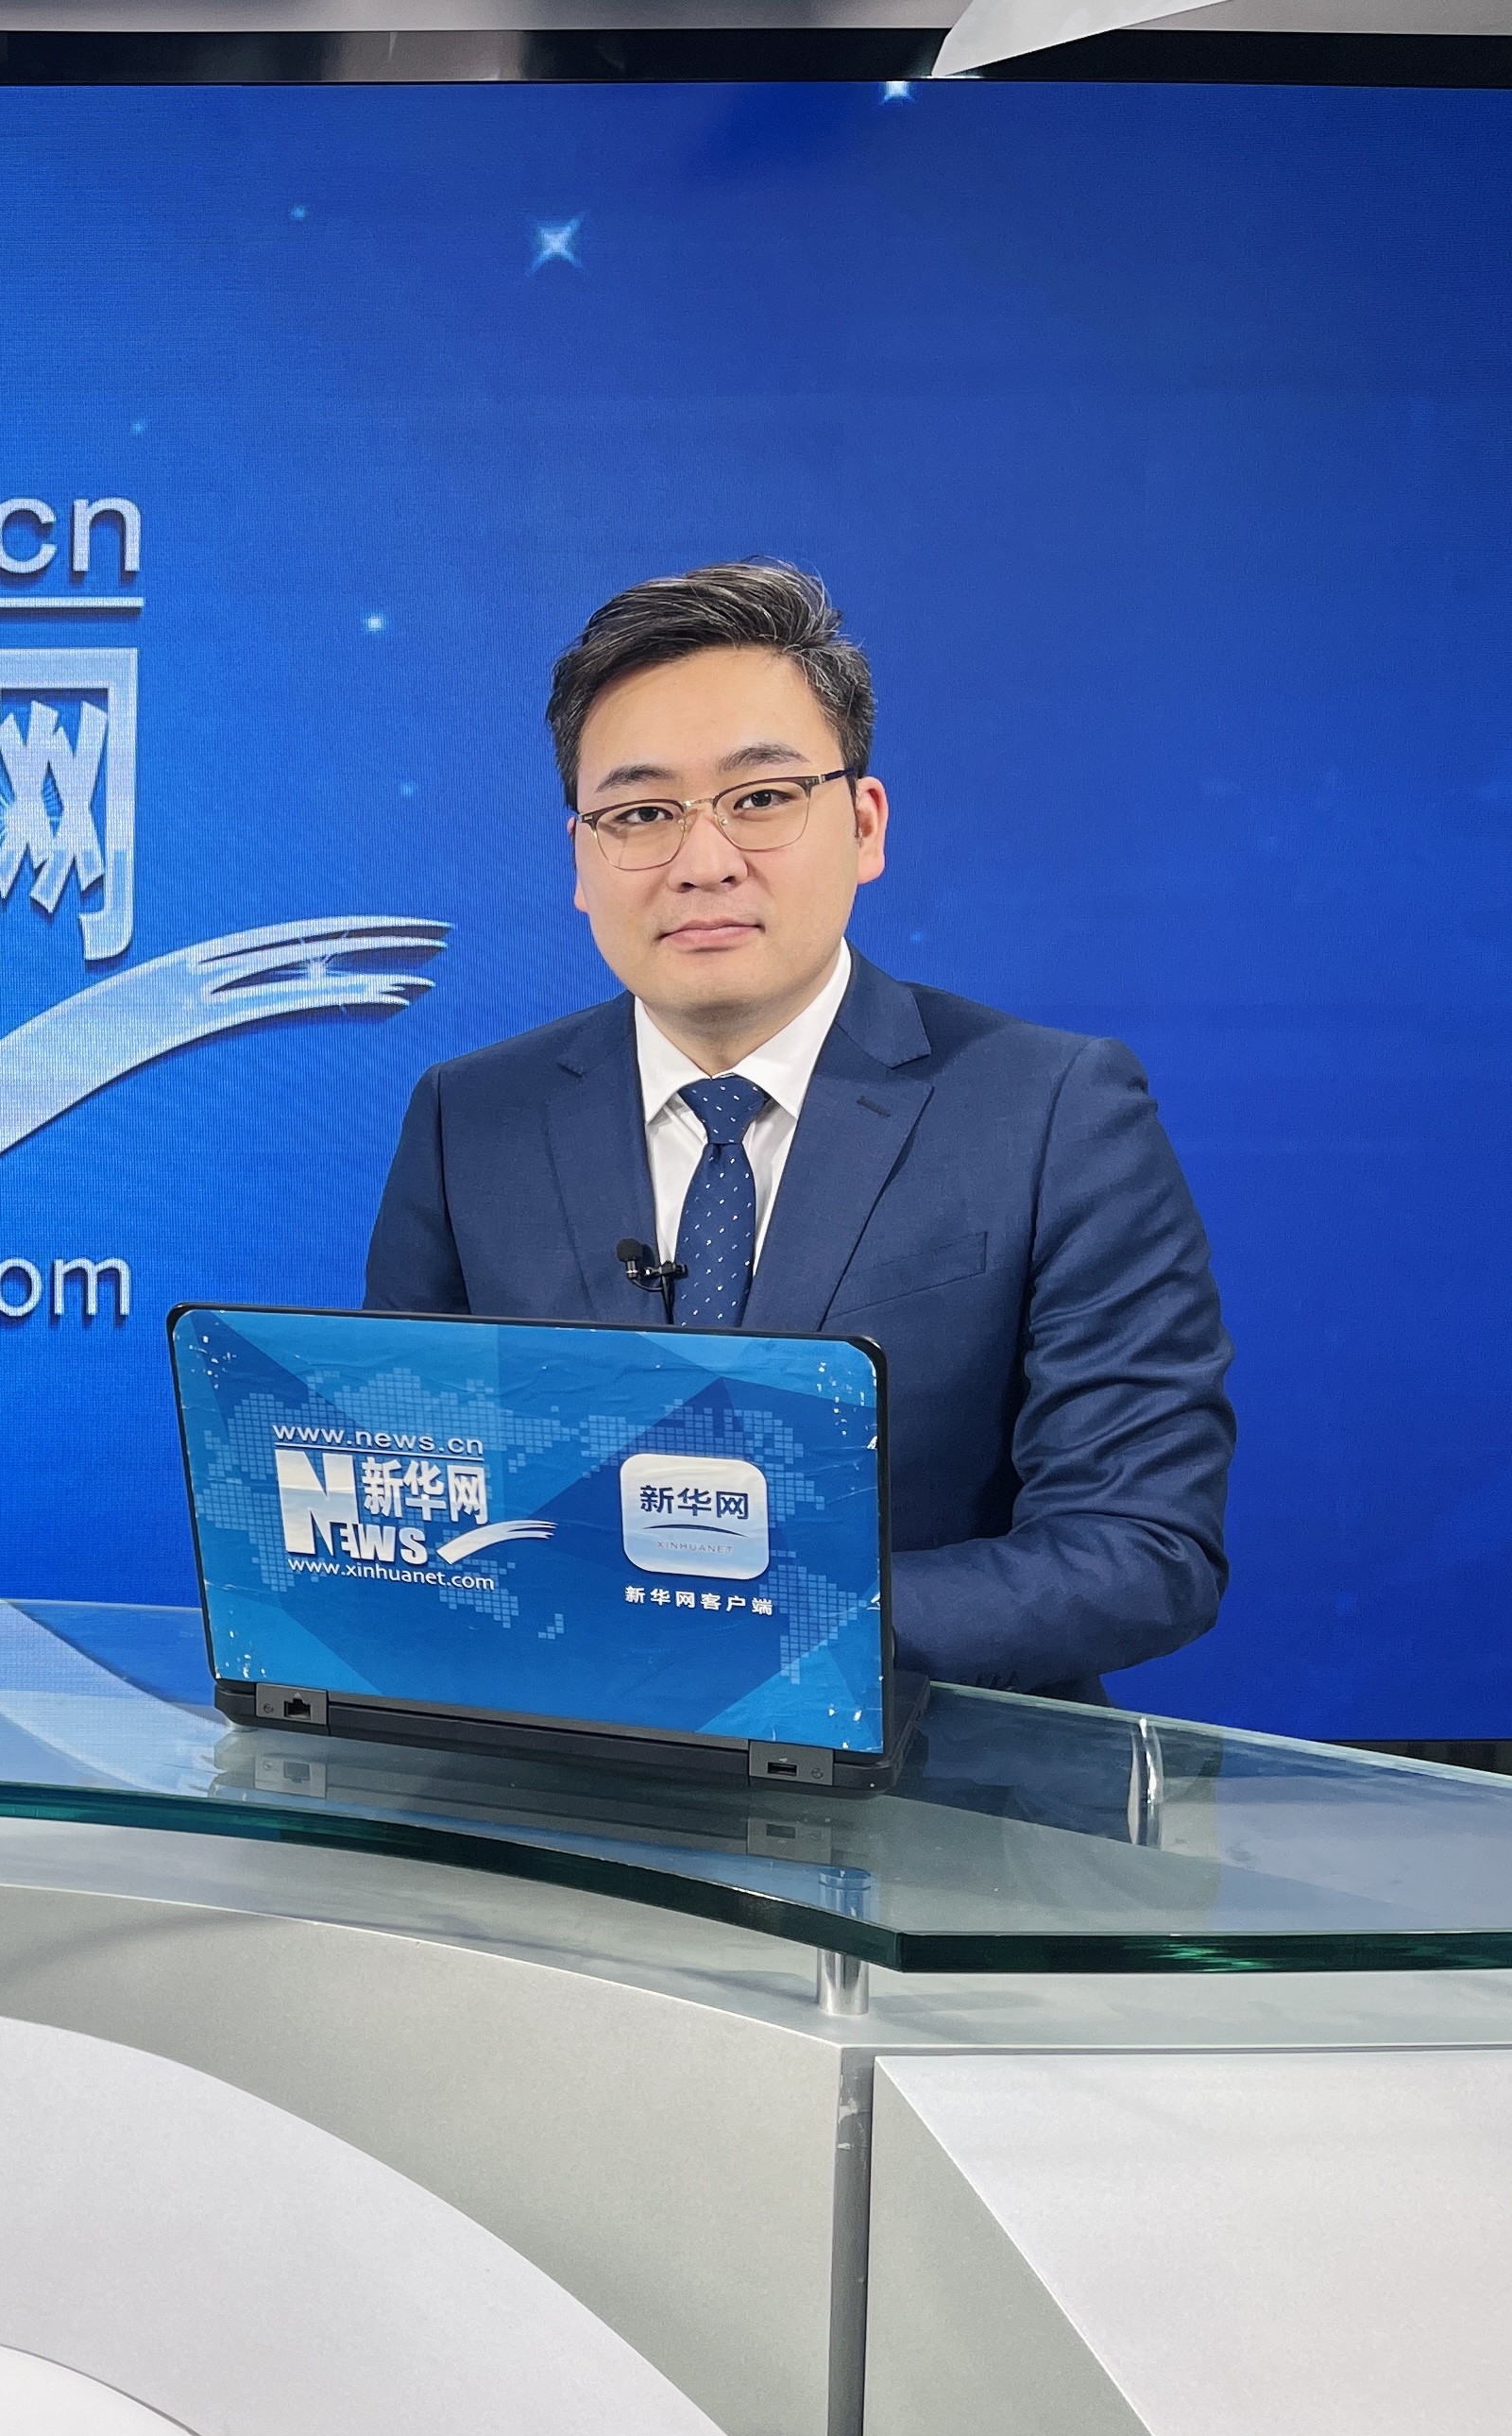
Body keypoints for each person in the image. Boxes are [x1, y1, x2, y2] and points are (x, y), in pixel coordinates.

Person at [363, 561, 1232, 1704]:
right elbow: (406, 1495)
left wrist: (757, 1615)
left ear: (864, 825)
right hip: (553, 1766)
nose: (704, 862)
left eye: (762, 798)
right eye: (641, 814)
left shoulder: (1053, 1108)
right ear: (581, 856)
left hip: (927, 1778)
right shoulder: (470, 1119)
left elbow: (1141, 1550)